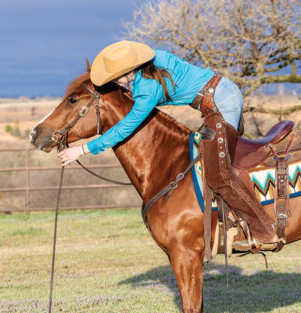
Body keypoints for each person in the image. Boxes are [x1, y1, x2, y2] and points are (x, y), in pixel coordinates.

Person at [58, 40, 278, 248]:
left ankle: (264, 232)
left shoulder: (147, 89)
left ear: (127, 73)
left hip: (222, 104)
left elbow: (126, 127)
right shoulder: (155, 59)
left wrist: (83, 148)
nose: (116, 83)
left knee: (217, 174)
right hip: (221, 93)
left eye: (116, 79)